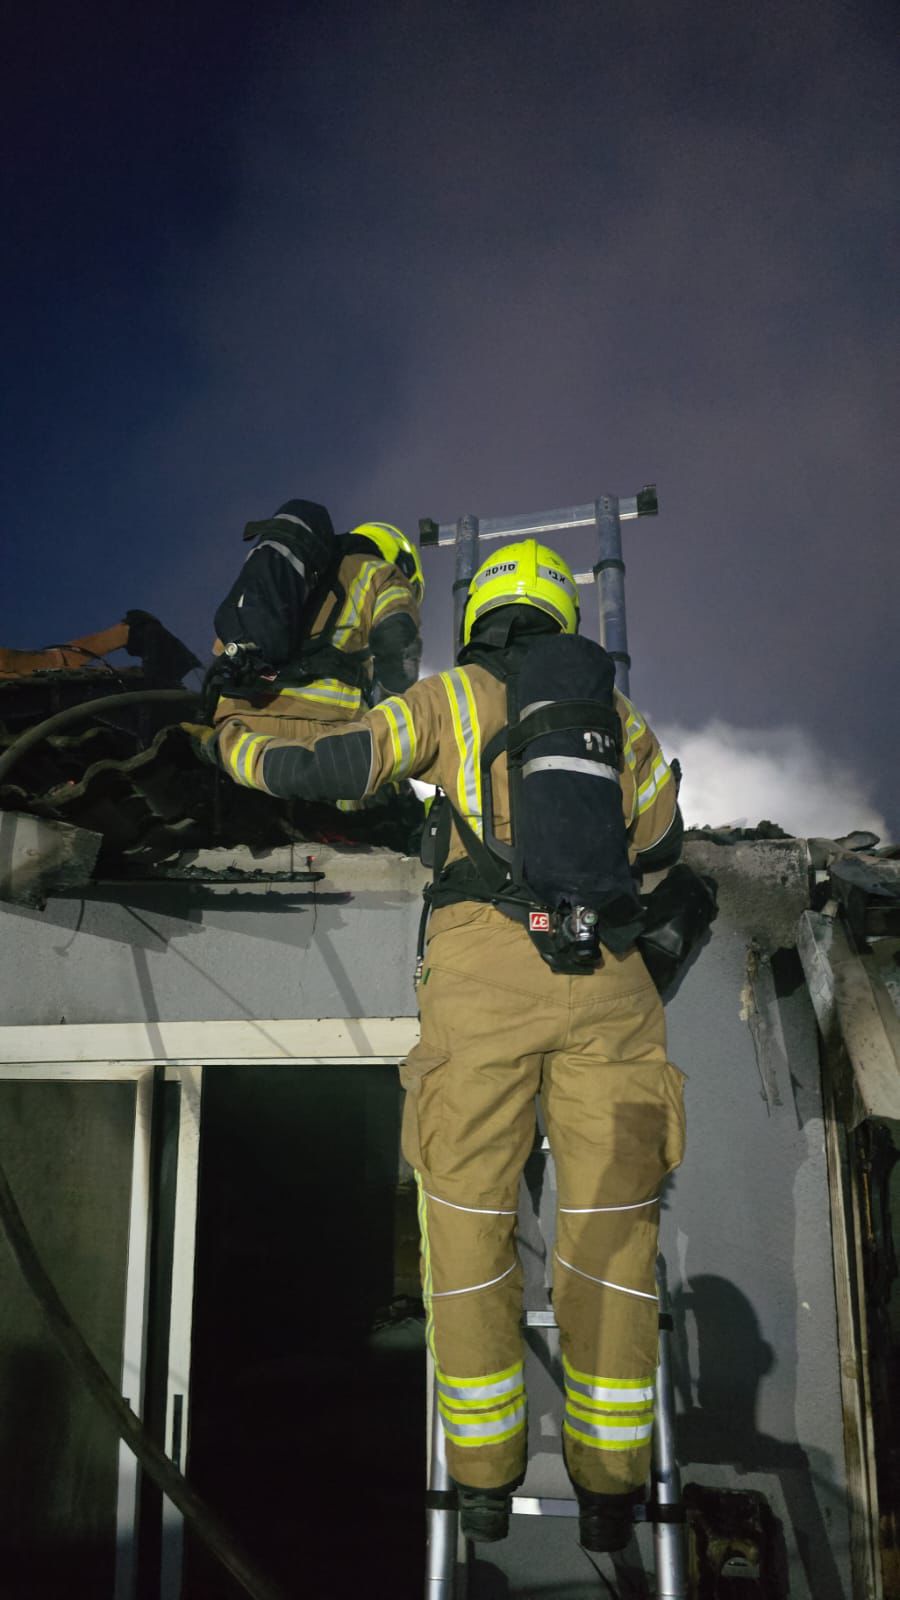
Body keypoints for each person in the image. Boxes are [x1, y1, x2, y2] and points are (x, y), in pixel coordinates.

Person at [205, 539, 685, 1553]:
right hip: (611, 981)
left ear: (484, 614)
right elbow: (661, 845)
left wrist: (232, 740)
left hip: (483, 977)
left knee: (466, 1223)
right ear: (562, 619)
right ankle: (610, 1487)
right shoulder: (621, 723)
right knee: (614, 1237)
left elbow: (335, 763)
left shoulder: (454, 698)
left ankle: (480, 1479)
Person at [206, 502, 424, 788]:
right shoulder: (381, 573)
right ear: (403, 563)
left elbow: (220, 649)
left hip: (235, 730)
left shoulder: (296, 574)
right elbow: (398, 644)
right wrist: (394, 722)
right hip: (317, 734)